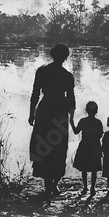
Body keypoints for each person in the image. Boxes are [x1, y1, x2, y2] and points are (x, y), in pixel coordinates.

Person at [28, 44, 75, 195]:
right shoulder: (67, 76)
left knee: (44, 144)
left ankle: (48, 183)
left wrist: (31, 113)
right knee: (59, 147)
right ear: (66, 57)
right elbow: (71, 99)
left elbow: (35, 93)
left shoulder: (42, 71)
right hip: (60, 111)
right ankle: (54, 184)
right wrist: (71, 117)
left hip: (45, 109)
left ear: (52, 55)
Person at [70, 101, 103, 196]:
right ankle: (93, 188)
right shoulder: (98, 122)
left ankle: (85, 187)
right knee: (94, 169)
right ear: (96, 111)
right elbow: (100, 135)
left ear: (86, 110)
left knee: (84, 168)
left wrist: (71, 122)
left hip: (84, 145)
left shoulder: (83, 121)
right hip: (95, 145)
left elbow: (76, 131)